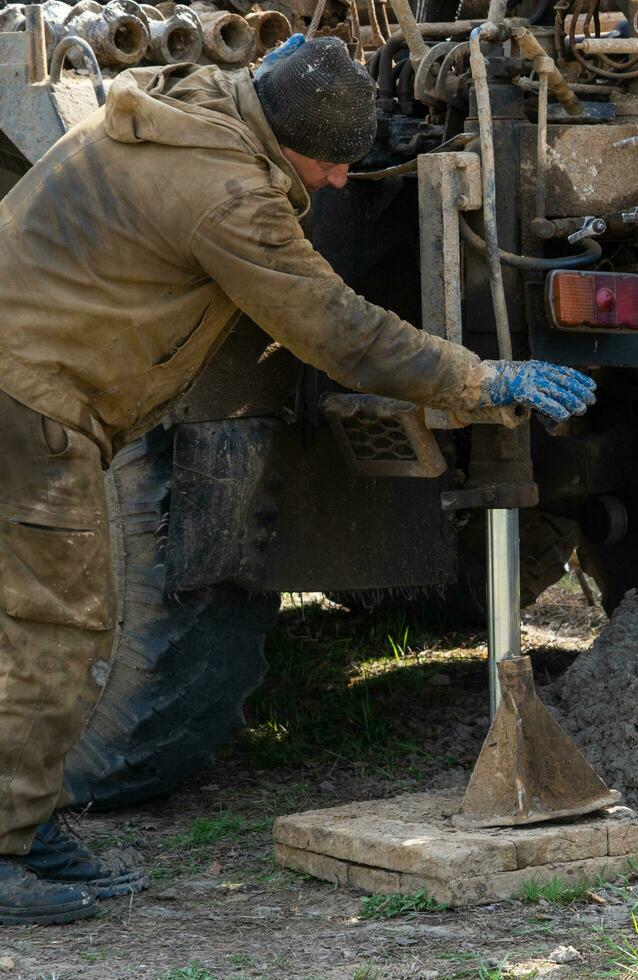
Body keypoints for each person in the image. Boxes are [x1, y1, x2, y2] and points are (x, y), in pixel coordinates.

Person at [0, 35, 595, 924]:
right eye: (331, 164)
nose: (341, 184)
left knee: (48, 619)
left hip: (32, 379)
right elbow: (338, 330)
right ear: (287, 140)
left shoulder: (202, 100)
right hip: (28, 399)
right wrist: (478, 380)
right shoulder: (225, 196)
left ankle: (24, 826)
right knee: (54, 626)